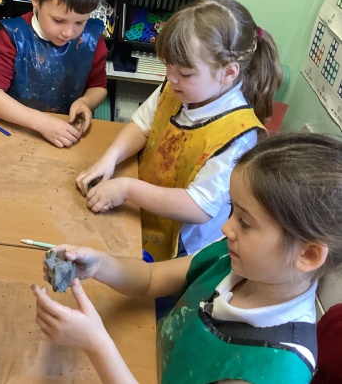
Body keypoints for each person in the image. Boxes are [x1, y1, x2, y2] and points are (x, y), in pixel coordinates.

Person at [32, 132, 342, 383]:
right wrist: (99, 265)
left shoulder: (274, 370)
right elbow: (151, 278)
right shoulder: (236, 257)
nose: (226, 228)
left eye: (245, 223)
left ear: (308, 254)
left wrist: (96, 343)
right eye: (233, 211)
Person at [76, 0, 282, 261]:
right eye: (168, 67)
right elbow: (142, 125)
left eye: (184, 73)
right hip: (144, 210)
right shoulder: (180, 88)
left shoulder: (239, 135)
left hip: (183, 248)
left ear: (228, 72)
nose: (170, 78)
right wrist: (110, 158)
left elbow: (198, 207)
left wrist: (126, 189)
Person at [0, 0, 108, 148]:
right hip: (13, 133)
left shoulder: (92, 40)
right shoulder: (12, 37)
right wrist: (41, 122)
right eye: (58, 20)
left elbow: (98, 86)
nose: (68, 32)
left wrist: (85, 102)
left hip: (62, 133)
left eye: (79, 22)